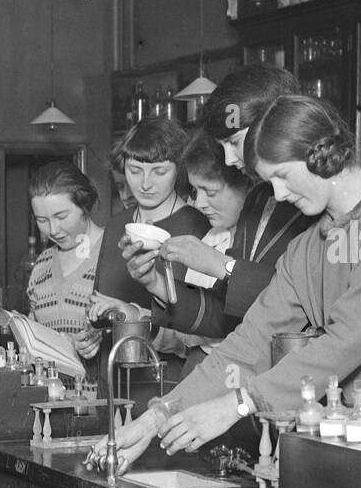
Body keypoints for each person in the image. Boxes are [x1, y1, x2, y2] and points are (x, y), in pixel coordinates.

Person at [96, 94, 361, 473]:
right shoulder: (308, 247)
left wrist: (238, 403)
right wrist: (158, 416)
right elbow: (248, 343)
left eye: (282, 176)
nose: (279, 195)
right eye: (270, 183)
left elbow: (347, 339)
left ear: (322, 154)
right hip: (357, 437)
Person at [127, 65, 316, 340]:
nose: (228, 159)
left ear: (279, 124)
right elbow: (225, 315)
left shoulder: (315, 205)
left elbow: (301, 305)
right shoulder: (258, 199)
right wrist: (157, 283)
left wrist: (221, 265)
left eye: (234, 141)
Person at [142, 131, 252, 370]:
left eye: (210, 192)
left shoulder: (261, 242)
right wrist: (152, 290)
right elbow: (188, 337)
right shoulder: (212, 236)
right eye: (195, 191)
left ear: (246, 184)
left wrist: (218, 264)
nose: (200, 203)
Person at [92, 117, 211, 314]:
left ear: (179, 170)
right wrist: (93, 330)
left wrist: (133, 314)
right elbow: (99, 299)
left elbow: (204, 317)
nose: (145, 184)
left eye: (159, 172)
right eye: (135, 170)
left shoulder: (198, 227)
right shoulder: (116, 225)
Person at [26, 161, 105, 362]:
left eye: (61, 216)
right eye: (42, 220)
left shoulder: (113, 252)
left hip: (105, 392)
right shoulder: (42, 264)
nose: (53, 230)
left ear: (84, 205)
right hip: (50, 391)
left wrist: (99, 337)